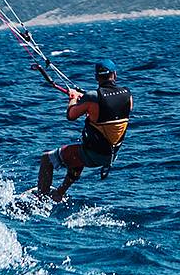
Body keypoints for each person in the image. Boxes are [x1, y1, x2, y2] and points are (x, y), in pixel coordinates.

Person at [36, 60, 132, 202]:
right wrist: (88, 104)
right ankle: (59, 193)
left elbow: (71, 115)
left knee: (47, 159)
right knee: (77, 155)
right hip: (110, 154)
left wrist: (74, 98)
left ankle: (41, 200)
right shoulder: (127, 95)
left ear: (96, 78)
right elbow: (111, 111)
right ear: (115, 75)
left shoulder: (92, 98)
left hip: (93, 154)